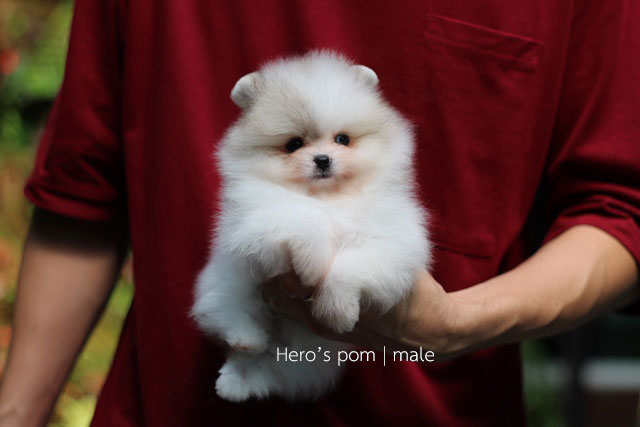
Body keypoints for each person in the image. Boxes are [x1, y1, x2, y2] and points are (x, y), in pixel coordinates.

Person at [1, 1, 639, 426]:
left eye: (340, 141)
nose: (323, 157)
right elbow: (81, 193)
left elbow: (620, 209)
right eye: (296, 145)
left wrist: (456, 322)